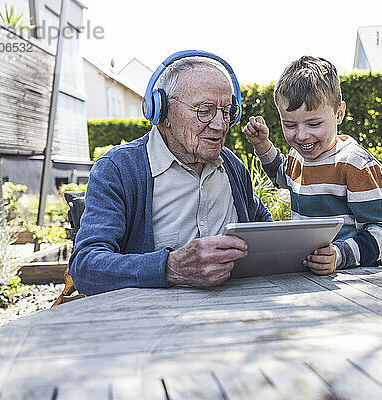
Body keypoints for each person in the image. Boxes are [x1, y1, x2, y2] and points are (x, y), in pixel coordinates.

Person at [69, 51, 272, 296]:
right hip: (151, 323)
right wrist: (170, 267)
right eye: (204, 110)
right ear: (162, 112)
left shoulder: (233, 167)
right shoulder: (118, 169)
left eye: (227, 111)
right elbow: (86, 266)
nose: (221, 124)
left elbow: (264, 229)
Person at [244, 56, 382, 274]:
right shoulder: (298, 157)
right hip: (308, 273)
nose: (302, 135)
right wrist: (262, 146)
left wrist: (339, 255)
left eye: (314, 124)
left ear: (339, 113)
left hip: (355, 277)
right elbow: (281, 177)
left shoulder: (355, 164)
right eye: (290, 125)